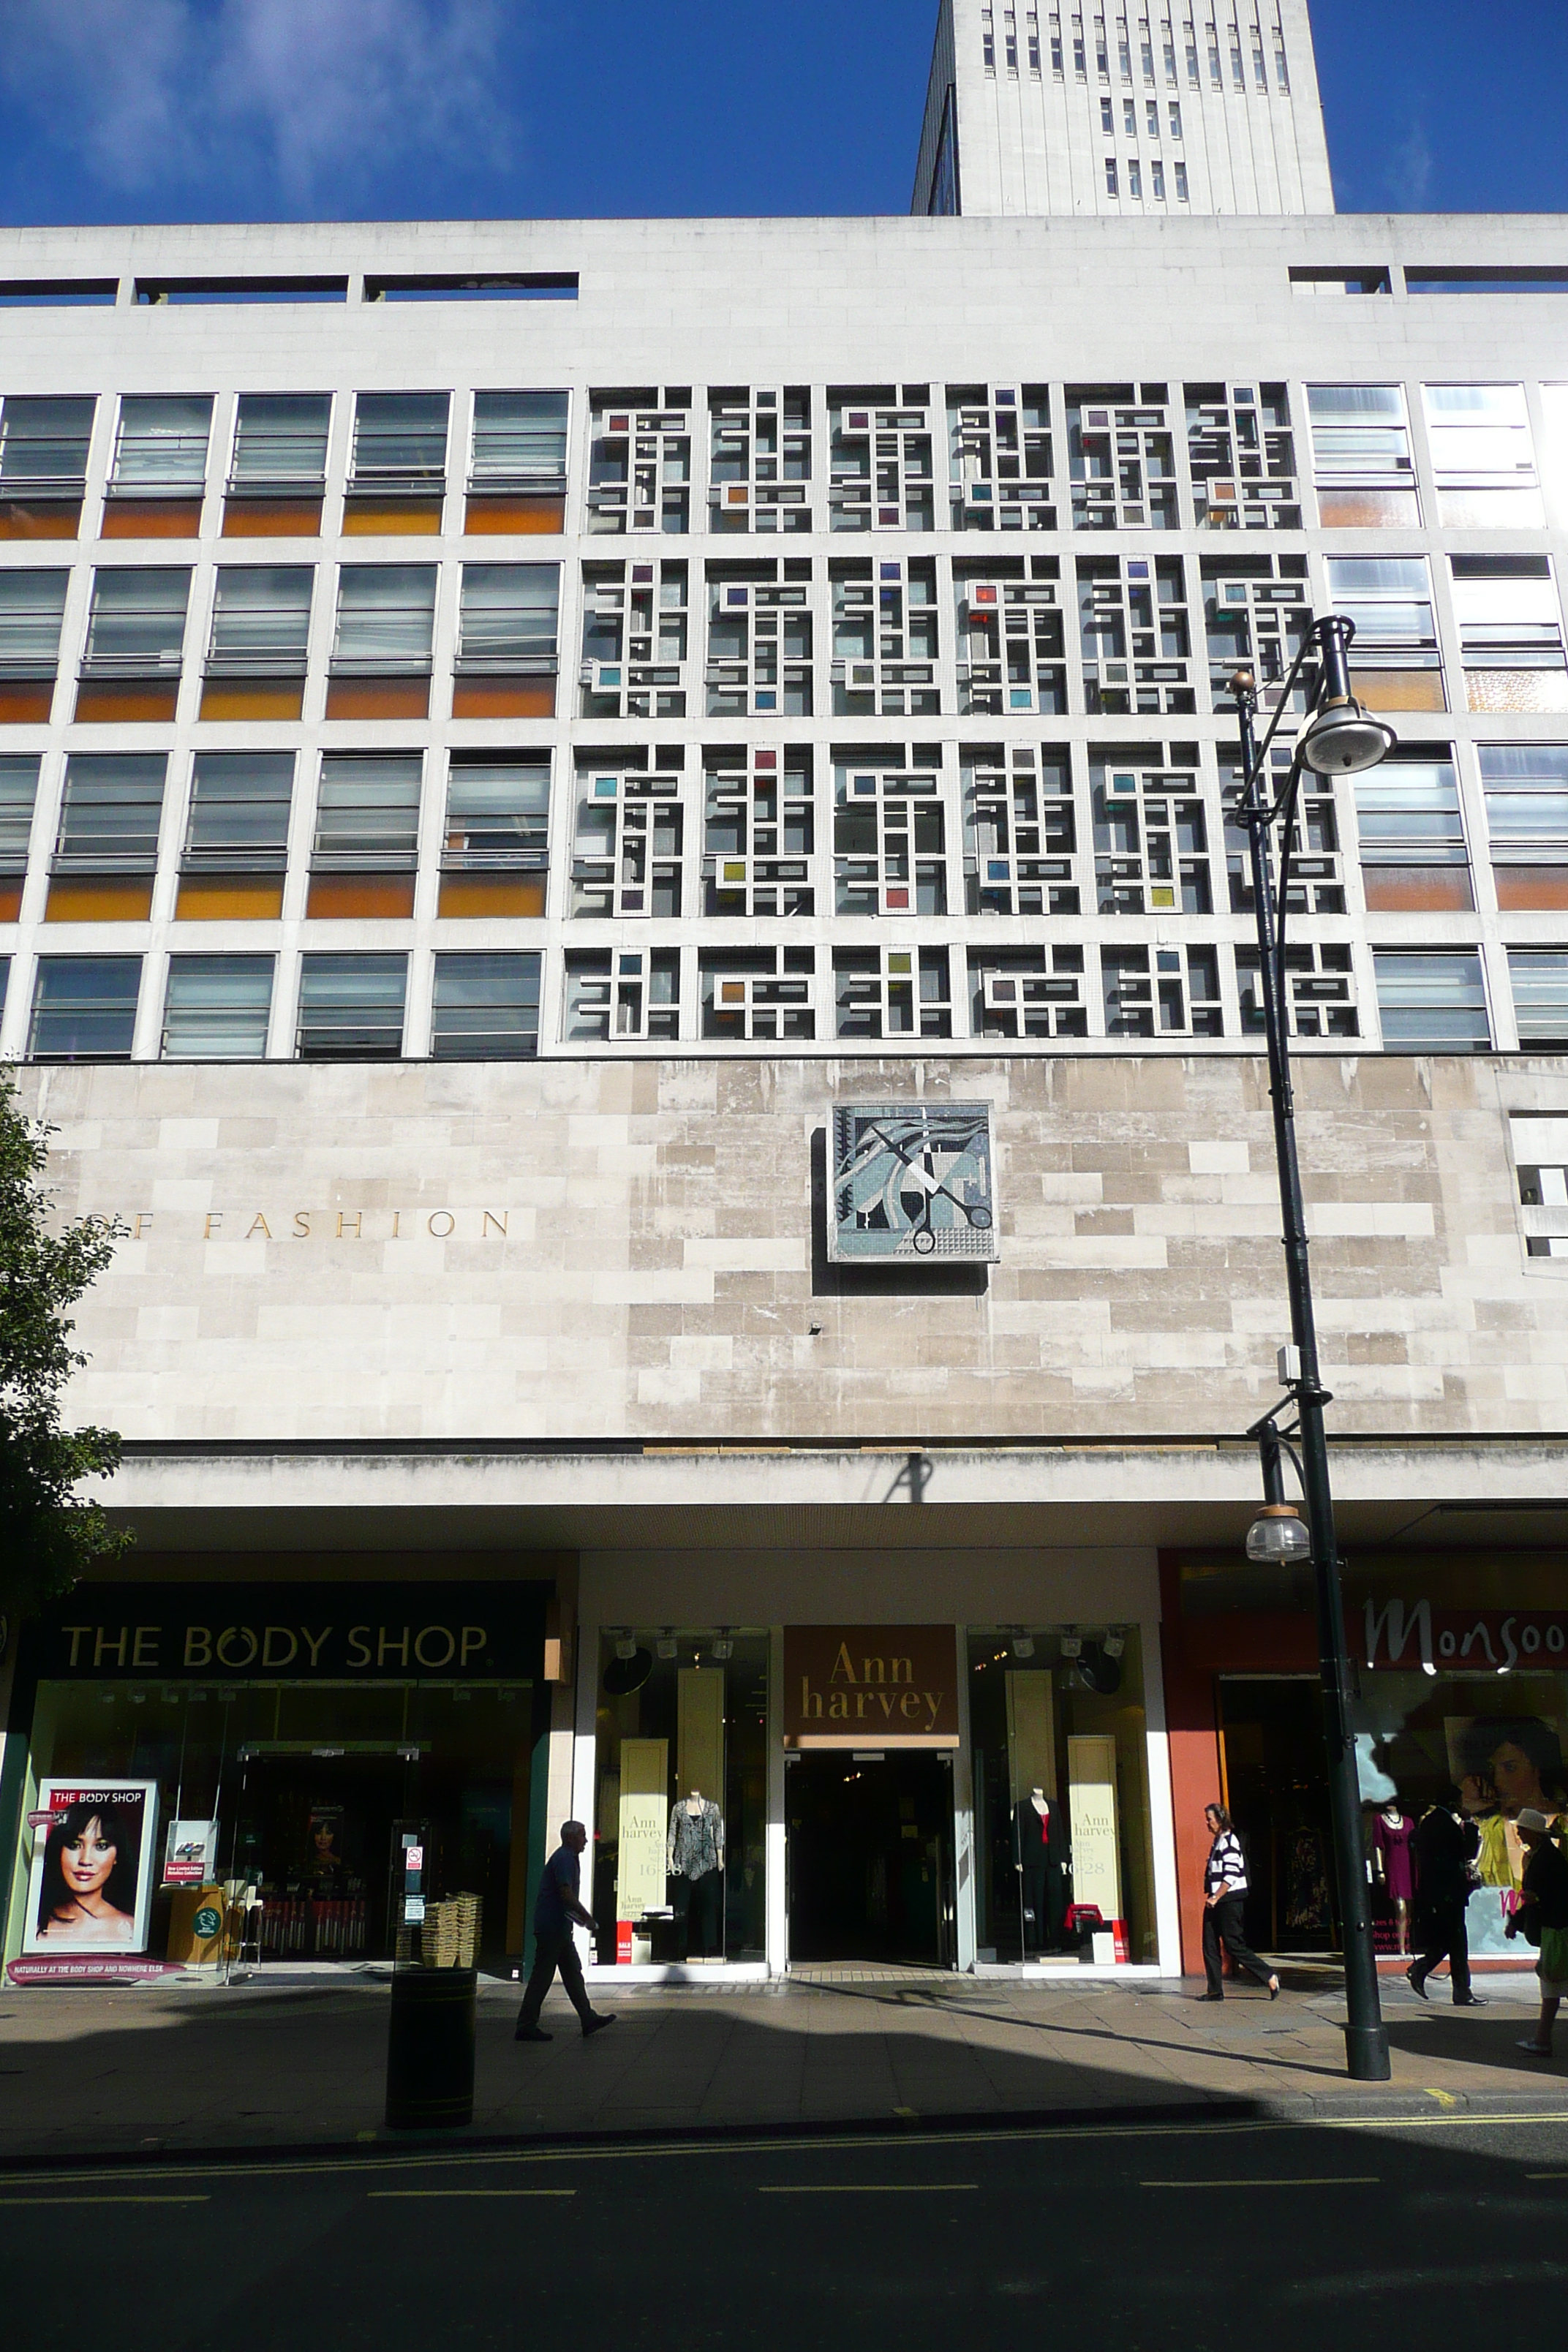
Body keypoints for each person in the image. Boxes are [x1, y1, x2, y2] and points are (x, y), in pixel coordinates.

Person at [514, 1820, 616, 2044]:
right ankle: (526, 2025)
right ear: (570, 1838)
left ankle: (588, 2018)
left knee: (572, 1973)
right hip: (552, 1928)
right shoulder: (565, 1859)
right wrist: (586, 1916)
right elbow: (566, 1894)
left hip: (557, 1927)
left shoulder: (566, 1858)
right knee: (542, 1976)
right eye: (582, 1836)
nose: (586, 1840)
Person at [1408, 1786, 1484, 2007]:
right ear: (1452, 1802)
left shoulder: (1432, 1822)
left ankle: (1425, 1970)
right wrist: (1469, 1824)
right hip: (1447, 1893)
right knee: (1457, 1941)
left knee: (1451, 1940)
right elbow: (1466, 1851)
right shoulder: (1443, 1824)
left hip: (1442, 1892)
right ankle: (1458, 1989)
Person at [1199, 1803, 1279, 2001]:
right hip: (1216, 1900)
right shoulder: (1218, 1841)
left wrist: (1217, 1896)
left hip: (1228, 1900)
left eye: (1209, 1819)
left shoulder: (1229, 1841)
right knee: (1209, 1944)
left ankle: (1268, 1975)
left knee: (1233, 1945)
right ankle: (1215, 1990)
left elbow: (1233, 1873)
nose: (1207, 1823)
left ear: (1220, 1820)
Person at [1507, 1807, 1568, 2058]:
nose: (1519, 1833)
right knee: (1551, 1984)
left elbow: (1556, 1894)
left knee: (1551, 1982)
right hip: (1552, 1929)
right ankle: (1542, 2038)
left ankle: (1542, 2039)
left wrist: (1537, 1900)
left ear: (1533, 1831)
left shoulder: (1547, 1859)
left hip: (1556, 1930)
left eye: (1521, 1829)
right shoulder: (1541, 1856)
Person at [34, 1801, 140, 1945]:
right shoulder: (31, 1924)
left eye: (101, 1846)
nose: (85, 1860)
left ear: (117, 1856)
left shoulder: (131, 1930)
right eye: (75, 1845)